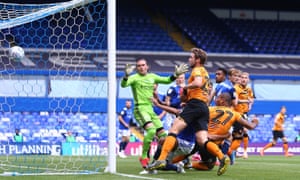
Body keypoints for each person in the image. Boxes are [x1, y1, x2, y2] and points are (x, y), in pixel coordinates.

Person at [147, 47, 230, 176]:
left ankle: (162, 159)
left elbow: (197, 83)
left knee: (173, 130)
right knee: (202, 140)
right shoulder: (206, 73)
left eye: (191, 57)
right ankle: (222, 157)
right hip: (203, 107)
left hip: (195, 105)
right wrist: (190, 99)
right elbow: (205, 92)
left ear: (197, 60)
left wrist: (186, 87)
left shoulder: (197, 70)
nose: (189, 59)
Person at [120, 57, 188, 172]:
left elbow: (167, 80)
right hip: (140, 109)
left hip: (150, 110)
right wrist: (126, 76)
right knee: (151, 131)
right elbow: (123, 85)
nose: (141, 67)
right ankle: (144, 157)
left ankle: (164, 162)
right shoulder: (134, 78)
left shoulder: (152, 77)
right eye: (139, 66)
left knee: (164, 138)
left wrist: (175, 74)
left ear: (147, 66)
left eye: (143, 65)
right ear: (137, 68)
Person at [231, 71, 255, 159]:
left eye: (246, 78)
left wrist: (250, 105)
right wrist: (247, 101)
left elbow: (251, 99)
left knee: (243, 131)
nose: (244, 79)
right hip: (235, 113)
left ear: (248, 80)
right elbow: (235, 101)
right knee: (236, 133)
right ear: (240, 79)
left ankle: (243, 151)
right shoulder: (236, 88)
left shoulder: (249, 89)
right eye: (242, 78)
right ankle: (232, 151)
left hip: (244, 113)